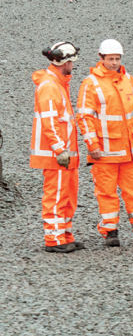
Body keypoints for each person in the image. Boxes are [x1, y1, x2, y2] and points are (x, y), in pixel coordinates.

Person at [76, 39, 133, 247]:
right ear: (101, 58)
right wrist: (93, 146)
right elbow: (84, 117)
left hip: (129, 151)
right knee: (106, 193)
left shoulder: (128, 80)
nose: (114, 62)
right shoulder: (91, 83)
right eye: (110, 59)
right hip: (104, 152)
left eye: (117, 59)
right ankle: (110, 232)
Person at [30, 42, 83, 253]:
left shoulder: (58, 84)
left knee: (68, 196)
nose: (73, 65)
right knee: (56, 196)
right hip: (57, 156)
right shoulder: (51, 86)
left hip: (64, 155)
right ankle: (54, 239)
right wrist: (60, 149)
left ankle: (64, 235)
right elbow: (50, 122)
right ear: (64, 62)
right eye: (71, 61)